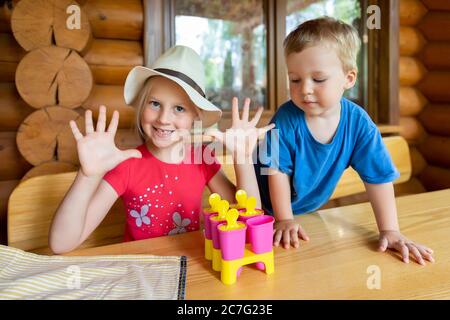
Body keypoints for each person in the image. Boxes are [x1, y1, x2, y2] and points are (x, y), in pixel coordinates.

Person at [49, 45, 274, 254]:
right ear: (141, 104)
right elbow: (61, 244)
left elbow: (249, 224)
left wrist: (243, 159)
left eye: (179, 108)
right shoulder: (127, 166)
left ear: (196, 116)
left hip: (191, 271)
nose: (164, 118)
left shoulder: (202, 159)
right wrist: (87, 176)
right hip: (141, 273)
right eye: (155, 103)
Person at [255, 17, 434, 265]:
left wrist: (390, 230)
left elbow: (378, 177)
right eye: (295, 79)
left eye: (318, 79)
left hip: (305, 211)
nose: (305, 89)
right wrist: (284, 219)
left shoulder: (358, 123)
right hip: (260, 208)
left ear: (348, 79)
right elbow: (275, 172)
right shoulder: (285, 119)